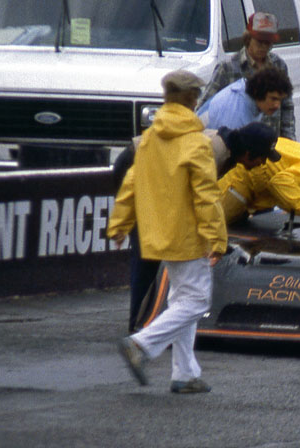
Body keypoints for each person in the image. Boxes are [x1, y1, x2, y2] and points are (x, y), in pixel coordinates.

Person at [108, 70, 227, 394]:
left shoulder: (149, 139)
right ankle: (141, 345)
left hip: (156, 233)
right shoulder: (195, 143)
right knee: (195, 300)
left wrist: (119, 224)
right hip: (188, 236)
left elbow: (131, 185)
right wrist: (217, 238)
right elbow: (206, 195)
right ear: (191, 99)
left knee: (181, 300)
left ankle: (185, 373)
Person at [200, 12, 295, 140]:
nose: (263, 47)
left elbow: (287, 107)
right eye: (259, 42)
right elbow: (205, 107)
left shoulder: (279, 65)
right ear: (248, 38)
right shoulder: (227, 68)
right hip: (238, 146)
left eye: (268, 43)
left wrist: (290, 142)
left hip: (272, 144)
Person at [197, 66, 292, 134]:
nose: (277, 105)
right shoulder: (235, 113)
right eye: (273, 99)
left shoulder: (250, 97)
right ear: (257, 91)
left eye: (280, 100)